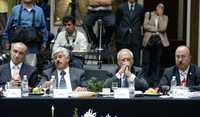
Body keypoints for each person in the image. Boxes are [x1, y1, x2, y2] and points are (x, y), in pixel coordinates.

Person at [3, 0, 48, 66]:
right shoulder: (15, 9)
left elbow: (43, 28)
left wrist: (44, 42)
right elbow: (8, 27)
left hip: (32, 47)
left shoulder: (39, 10)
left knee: (31, 69)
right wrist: (6, 40)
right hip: (16, 46)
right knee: (15, 69)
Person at [142, 2, 169, 87]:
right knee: (146, 62)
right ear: (156, 7)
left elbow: (163, 28)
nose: (160, 9)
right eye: (159, 7)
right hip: (148, 41)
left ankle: (155, 82)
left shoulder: (165, 17)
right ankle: (144, 81)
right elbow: (145, 26)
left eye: (162, 8)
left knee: (156, 63)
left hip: (158, 42)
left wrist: (160, 17)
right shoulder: (148, 14)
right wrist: (156, 29)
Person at [115, 0, 144, 66]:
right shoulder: (121, 7)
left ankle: (135, 75)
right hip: (123, 37)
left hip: (135, 37)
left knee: (136, 59)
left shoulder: (140, 8)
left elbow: (142, 21)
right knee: (122, 58)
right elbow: (117, 22)